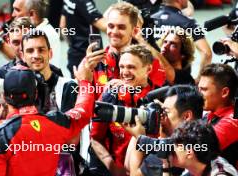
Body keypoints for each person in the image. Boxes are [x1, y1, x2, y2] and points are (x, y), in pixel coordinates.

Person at [0, 57, 94, 175]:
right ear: (35, 94)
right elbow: (83, 112)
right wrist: (85, 82)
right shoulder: (57, 122)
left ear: (4, 97)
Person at [90, 44, 156, 176]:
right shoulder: (110, 95)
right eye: (122, 67)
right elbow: (95, 139)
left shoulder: (161, 99)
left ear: (148, 69)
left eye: (131, 67)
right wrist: (112, 166)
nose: (125, 72)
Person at [125, 85, 204, 176]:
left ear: (186, 116)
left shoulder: (175, 149)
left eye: (166, 112)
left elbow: (134, 174)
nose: (161, 117)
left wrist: (140, 138)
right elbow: (127, 166)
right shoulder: (203, 137)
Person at [151, 0, 212, 78]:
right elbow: (207, 53)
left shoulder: (148, 19)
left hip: (152, 80)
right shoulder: (187, 22)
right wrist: (200, 79)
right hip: (179, 81)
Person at [198, 63, 238, 168]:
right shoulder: (208, 116)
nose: (198, 94)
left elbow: (200, 147)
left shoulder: (234, 119)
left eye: (204, 89)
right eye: (199, 89)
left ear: (224, 92)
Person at [166, 120, 238, 176]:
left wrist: (165, 168)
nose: (172, 150)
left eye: (176, 146)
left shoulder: (220, 173)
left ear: (189, 152)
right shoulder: (199, 165)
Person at [61, 0, 106, 78]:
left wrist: (72, 44)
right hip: (89, 58)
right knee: (90, 88)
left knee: (77, 87)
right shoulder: (84, 2)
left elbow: (62, 25)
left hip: (73, 55)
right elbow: (105, 26)